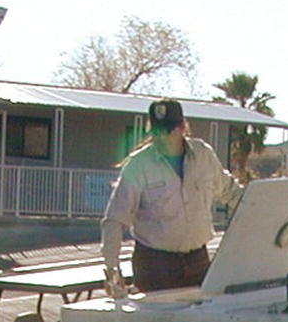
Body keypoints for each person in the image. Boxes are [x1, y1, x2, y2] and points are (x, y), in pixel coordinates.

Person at [101, 99, 241, 296]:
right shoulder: (139, 165)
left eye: (168, 130)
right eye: (157, 130)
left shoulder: (203, 155)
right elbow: (115, 219)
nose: (162, 137)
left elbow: (231, 193)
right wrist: (112, 270)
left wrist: (263, 210)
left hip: (198, 261)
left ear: (183, 127)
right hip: (155, 266)